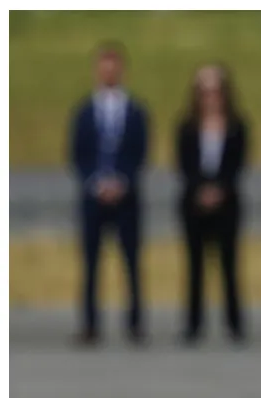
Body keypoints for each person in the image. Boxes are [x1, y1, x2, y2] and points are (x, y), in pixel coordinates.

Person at [68, 41, 149, 346]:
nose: (109, 71)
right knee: (90, 263)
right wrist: (97, 182)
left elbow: (140, 151)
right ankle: (90, 324)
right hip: (93, 197)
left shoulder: (135, 110)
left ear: (121, 69)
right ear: (96, 70)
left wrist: (121, 182)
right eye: (104, 65)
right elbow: (77, 154)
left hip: (126, 198)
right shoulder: (85, 111)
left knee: (131, 261)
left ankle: (135, 323)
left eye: (114, 65)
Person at [176, 63, 247, 344]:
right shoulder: (187, 127)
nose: (211, 97)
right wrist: (201, 190)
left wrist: (220, 190)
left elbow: (238, 163)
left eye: (216, 90)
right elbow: (183, 164)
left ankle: (234, 323)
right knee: (194, 265)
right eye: (205, 91)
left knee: (229, 263)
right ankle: (193, 324)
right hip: (194, 202)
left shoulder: (236, 126)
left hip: (227, 201)